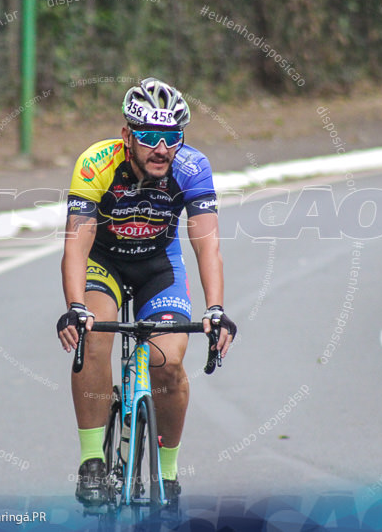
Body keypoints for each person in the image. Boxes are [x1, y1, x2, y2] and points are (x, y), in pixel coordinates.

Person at [57, 77, 237, 507]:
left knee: (168, 364)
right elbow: (75, 246)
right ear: (127, 136)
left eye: (172, 136)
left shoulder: (191, 167)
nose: (161, 148)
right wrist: (76, 308)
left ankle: (168, 474)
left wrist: (215, 309)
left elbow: (207, 244)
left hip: (159, 266)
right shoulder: (95, 163)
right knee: (95, 336)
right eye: (150, 136)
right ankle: (91, 463)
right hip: (105, 263)